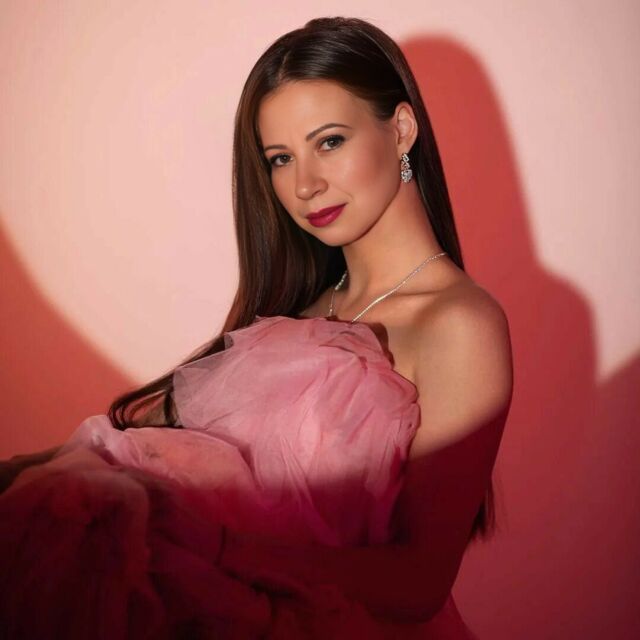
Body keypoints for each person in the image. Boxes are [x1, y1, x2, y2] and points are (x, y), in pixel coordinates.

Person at [0, 15, 513, 639]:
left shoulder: (458, 323)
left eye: (330, 142)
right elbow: (133, 442)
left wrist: (212, 547)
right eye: (281, 158)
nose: (305, 184)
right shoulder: (289, 318)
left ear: (401, 128)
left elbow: (418, 581)